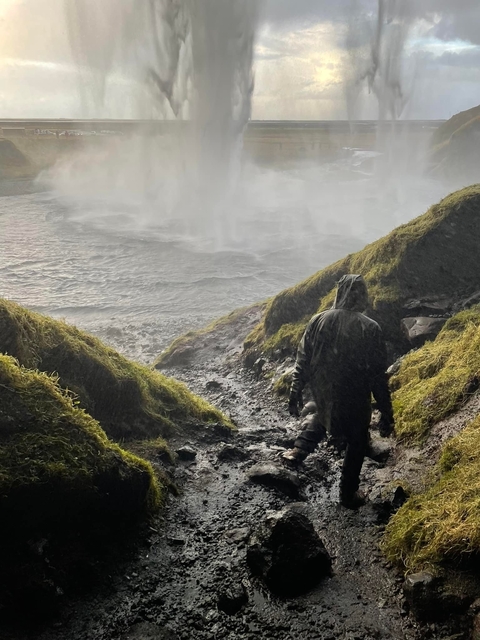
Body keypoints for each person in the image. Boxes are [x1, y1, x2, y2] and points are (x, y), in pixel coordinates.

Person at [282, 274, 394, 509]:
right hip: (354, 393)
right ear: (361, 295)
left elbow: (302, 359)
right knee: (357, 440)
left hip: (324, 389)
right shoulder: (369, 327)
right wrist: (386, 412)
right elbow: (377, 375)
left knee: (323, 415)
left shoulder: (317, 320)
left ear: (338, 294)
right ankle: (347, 493)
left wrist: (295, 392)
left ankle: (297, 451)